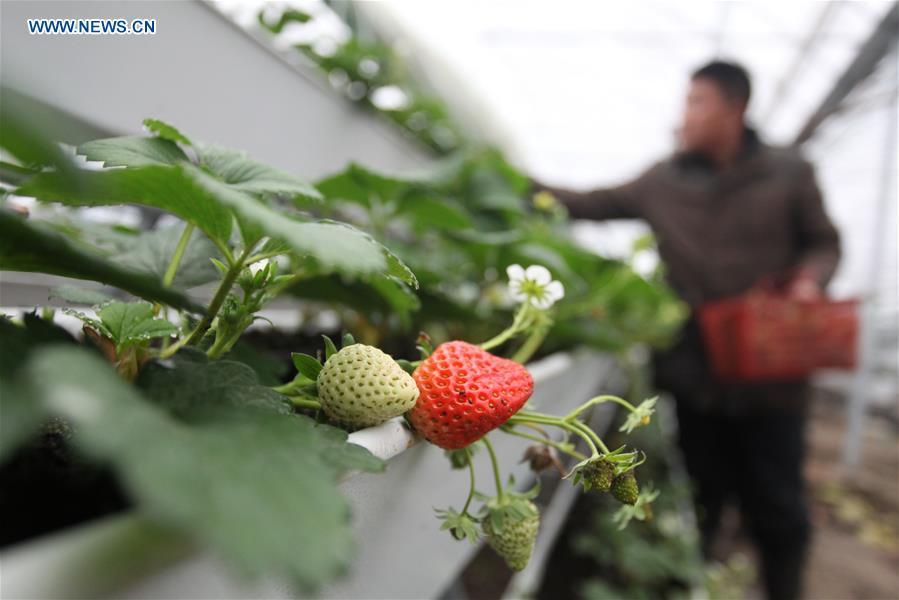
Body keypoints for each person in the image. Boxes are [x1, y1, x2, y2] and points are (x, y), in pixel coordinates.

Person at [534, 60, 841, 600]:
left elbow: (824, 242)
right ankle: (701, 579)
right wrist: (517, 185)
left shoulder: (788, 173)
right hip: (698, 373)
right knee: (705, 490)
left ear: (734, 108)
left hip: (772, 373)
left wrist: (809, 282)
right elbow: (590, 202)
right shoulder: (664, 181)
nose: (685, 115)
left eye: (697, 102)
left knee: (778, 503)